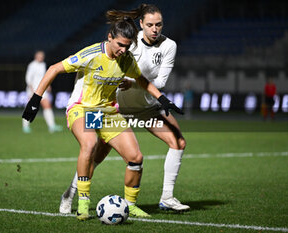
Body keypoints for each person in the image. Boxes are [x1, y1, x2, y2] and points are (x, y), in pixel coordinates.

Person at [22, 9, 183, 221]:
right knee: (89, 144)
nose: (123, 50)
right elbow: (53, 69)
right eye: (120, 45)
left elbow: (142, 80)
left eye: (127, 46)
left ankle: (131, 205)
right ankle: (82, 201)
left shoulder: (125, 59)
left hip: (108, 111)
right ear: (110, 38)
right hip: (83, 109)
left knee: (135, 158)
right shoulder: (90, 54)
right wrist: (35, 100)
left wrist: (162, 99)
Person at [22, 50, 62, 133]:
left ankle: (52, 126)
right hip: (33, 90)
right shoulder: (32, 65)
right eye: (39, 56)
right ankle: (25, 127)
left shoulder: (43, 65)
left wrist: (48, 85)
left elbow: (45, 76)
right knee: (31, 107)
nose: (41, 57)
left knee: (47, 106)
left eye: (42, 56)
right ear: (36, 56)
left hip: (42, 89)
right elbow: (28, 78)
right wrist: (31, 89)